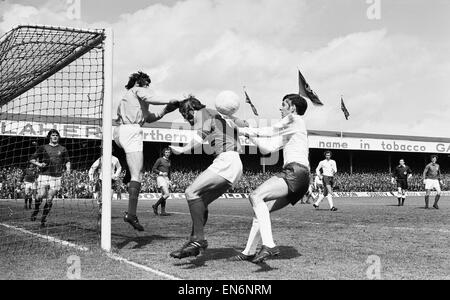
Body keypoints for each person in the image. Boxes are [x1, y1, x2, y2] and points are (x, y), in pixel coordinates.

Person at [230, 94, 312, 263]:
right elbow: (268, 148)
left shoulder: (294, 119)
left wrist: (241, 130)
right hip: (301, 177)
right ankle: (249, 251)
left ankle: (268, 244)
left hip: (294, 172)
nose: (280, 108)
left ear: (293, 108)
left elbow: (270, 130)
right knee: (261, 211)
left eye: (284, 104)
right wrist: (251, 136)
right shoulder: (292, 128)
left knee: (255, 196)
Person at [168, 95, 247, 259]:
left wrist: (182, 150)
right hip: (235, 163)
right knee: (201, 202)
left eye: (186, 114)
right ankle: (194, 244)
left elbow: (199, 136)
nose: (187, 119)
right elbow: (243, 127)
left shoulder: (203, 113)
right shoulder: (219, 115)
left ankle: (199, 239)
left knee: (190, 192)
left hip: (226, 161)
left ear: (191, 109)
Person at [113, 71, 179, 231]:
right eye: (146, 85)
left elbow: (149, 117)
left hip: (121, 132)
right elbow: (150, 98)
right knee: (138, 176)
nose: (148, 88)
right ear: (138, 83)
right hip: (132, 130)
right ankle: (131, 214)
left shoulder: (128, 99)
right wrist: (170, 100)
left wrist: (165, 110)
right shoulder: (136, 90)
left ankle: (129, 171)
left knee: (136, 172)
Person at [30, 129, 70, 228]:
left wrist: (68, 168)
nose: (55, 137)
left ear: (58, 137)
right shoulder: (43, 148)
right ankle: (36, 209)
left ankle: (43, 219)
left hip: (56, 177)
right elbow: (32, 159)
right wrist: (39, 164)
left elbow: (67, 161)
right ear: (49, 137)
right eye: (53, 135)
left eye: (56, 135)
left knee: (49, 199)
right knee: (40, 196)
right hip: (44, 175)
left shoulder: (63, 149)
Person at [88, 154, 122, 218]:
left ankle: (105, 213)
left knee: (110, 197)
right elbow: (92, 167)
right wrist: (91, 178)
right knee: (101, 198)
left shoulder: (115, 159)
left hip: (111, 180)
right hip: (102, 180)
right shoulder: (101, 159)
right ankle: (101, 212)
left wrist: (115, 175)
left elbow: (119, 167)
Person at [152, 148, 172, 216]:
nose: (167, 153)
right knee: (167, 194)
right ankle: (155, 206)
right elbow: (153, 169)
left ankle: (163, 212)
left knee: (164, 195)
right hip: (160, 177)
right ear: (164, 153)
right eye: (166, 152)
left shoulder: (169, 161)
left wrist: (169, 180)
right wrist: (161, 173)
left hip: (166, 178)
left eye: (168, 152)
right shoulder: (160, 160)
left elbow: (169, 171)